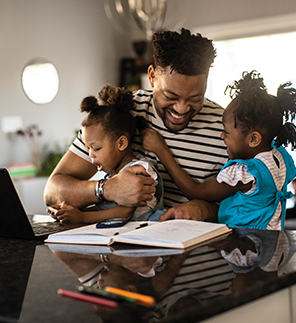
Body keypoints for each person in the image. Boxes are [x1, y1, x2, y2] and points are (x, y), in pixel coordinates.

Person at [44, 28, 228, 222]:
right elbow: (52, 192)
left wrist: (207, 209)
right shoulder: (121, 111)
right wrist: (108, 189)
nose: (181, 109)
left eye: (195, 98)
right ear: (151, 76)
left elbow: (254, 202)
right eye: (170, 96)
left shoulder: (228, 129)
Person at [142, 70, 296, 230]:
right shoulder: (279, 156)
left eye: (226, 132)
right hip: (271, 240)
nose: (221, 136)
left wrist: (161, 150)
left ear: (253, 139)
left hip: (246, 245)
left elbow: (195, 191)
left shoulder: (244, 173)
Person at [47, 84, 164, 224]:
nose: (90, 155)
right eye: (87, 148)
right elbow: (103, 209)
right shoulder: (113, 178)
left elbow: (124, 212)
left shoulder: (141, 170)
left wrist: (82, 217)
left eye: (96, 148)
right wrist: (69, 212)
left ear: (121, 144)